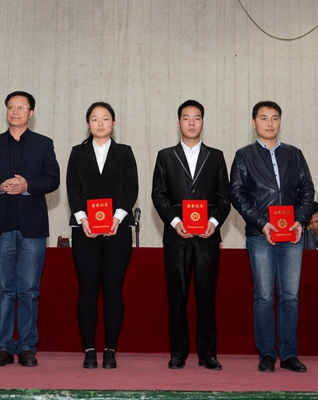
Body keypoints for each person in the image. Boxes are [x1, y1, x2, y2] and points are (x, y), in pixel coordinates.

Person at [0, 91, 60, 367]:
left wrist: (27, 186)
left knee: (30, 290)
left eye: (21, 107)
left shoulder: (44, 144)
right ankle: (2, 347)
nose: (15, 111)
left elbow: (53, 179)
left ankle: (26, 347)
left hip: (32, 227)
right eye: (11, 107)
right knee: (3, 290)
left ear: (30, 113)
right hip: (0, 225)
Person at [230, 100, 315, 373]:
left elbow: (307, 190)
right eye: (263, 118)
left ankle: (289, 354)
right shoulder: (244, 156)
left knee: (290, 296)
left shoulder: (294, 154)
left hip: (292, 235)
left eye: (275, 117)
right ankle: (267, 353)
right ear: (253, 122)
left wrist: (300, 220)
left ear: (280, 121)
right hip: (260, 235)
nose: (269, 123)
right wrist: (262, 223)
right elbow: (237, 194)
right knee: (264, 296)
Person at [152, 100, 230, 370]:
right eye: (186, 118)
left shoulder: (216, 156)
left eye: (197, 118)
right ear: (178, 123)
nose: (192, 123)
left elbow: (225, 197)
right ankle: (178, 352)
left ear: (203, 123)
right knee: (177, 297)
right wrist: (175, 222)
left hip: (208, 237)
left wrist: (214, 222)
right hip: (177, 237)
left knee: (207, 297)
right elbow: (158, 195)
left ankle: (208, 353)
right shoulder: (165, 156)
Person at [66, 102, 138, 369]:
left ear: (113, 123)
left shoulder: (124, 152)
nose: (100, 123)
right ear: (88, 123)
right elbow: (72, 188)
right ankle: (88, 349)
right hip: (84, 229)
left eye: (105, 118)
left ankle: (110, 350)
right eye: (94, 119)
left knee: (113, 290)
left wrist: (117, 217)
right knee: (87, 290)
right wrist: (82, 218)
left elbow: (131, 188)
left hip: (117, 230)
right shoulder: (77, 152)